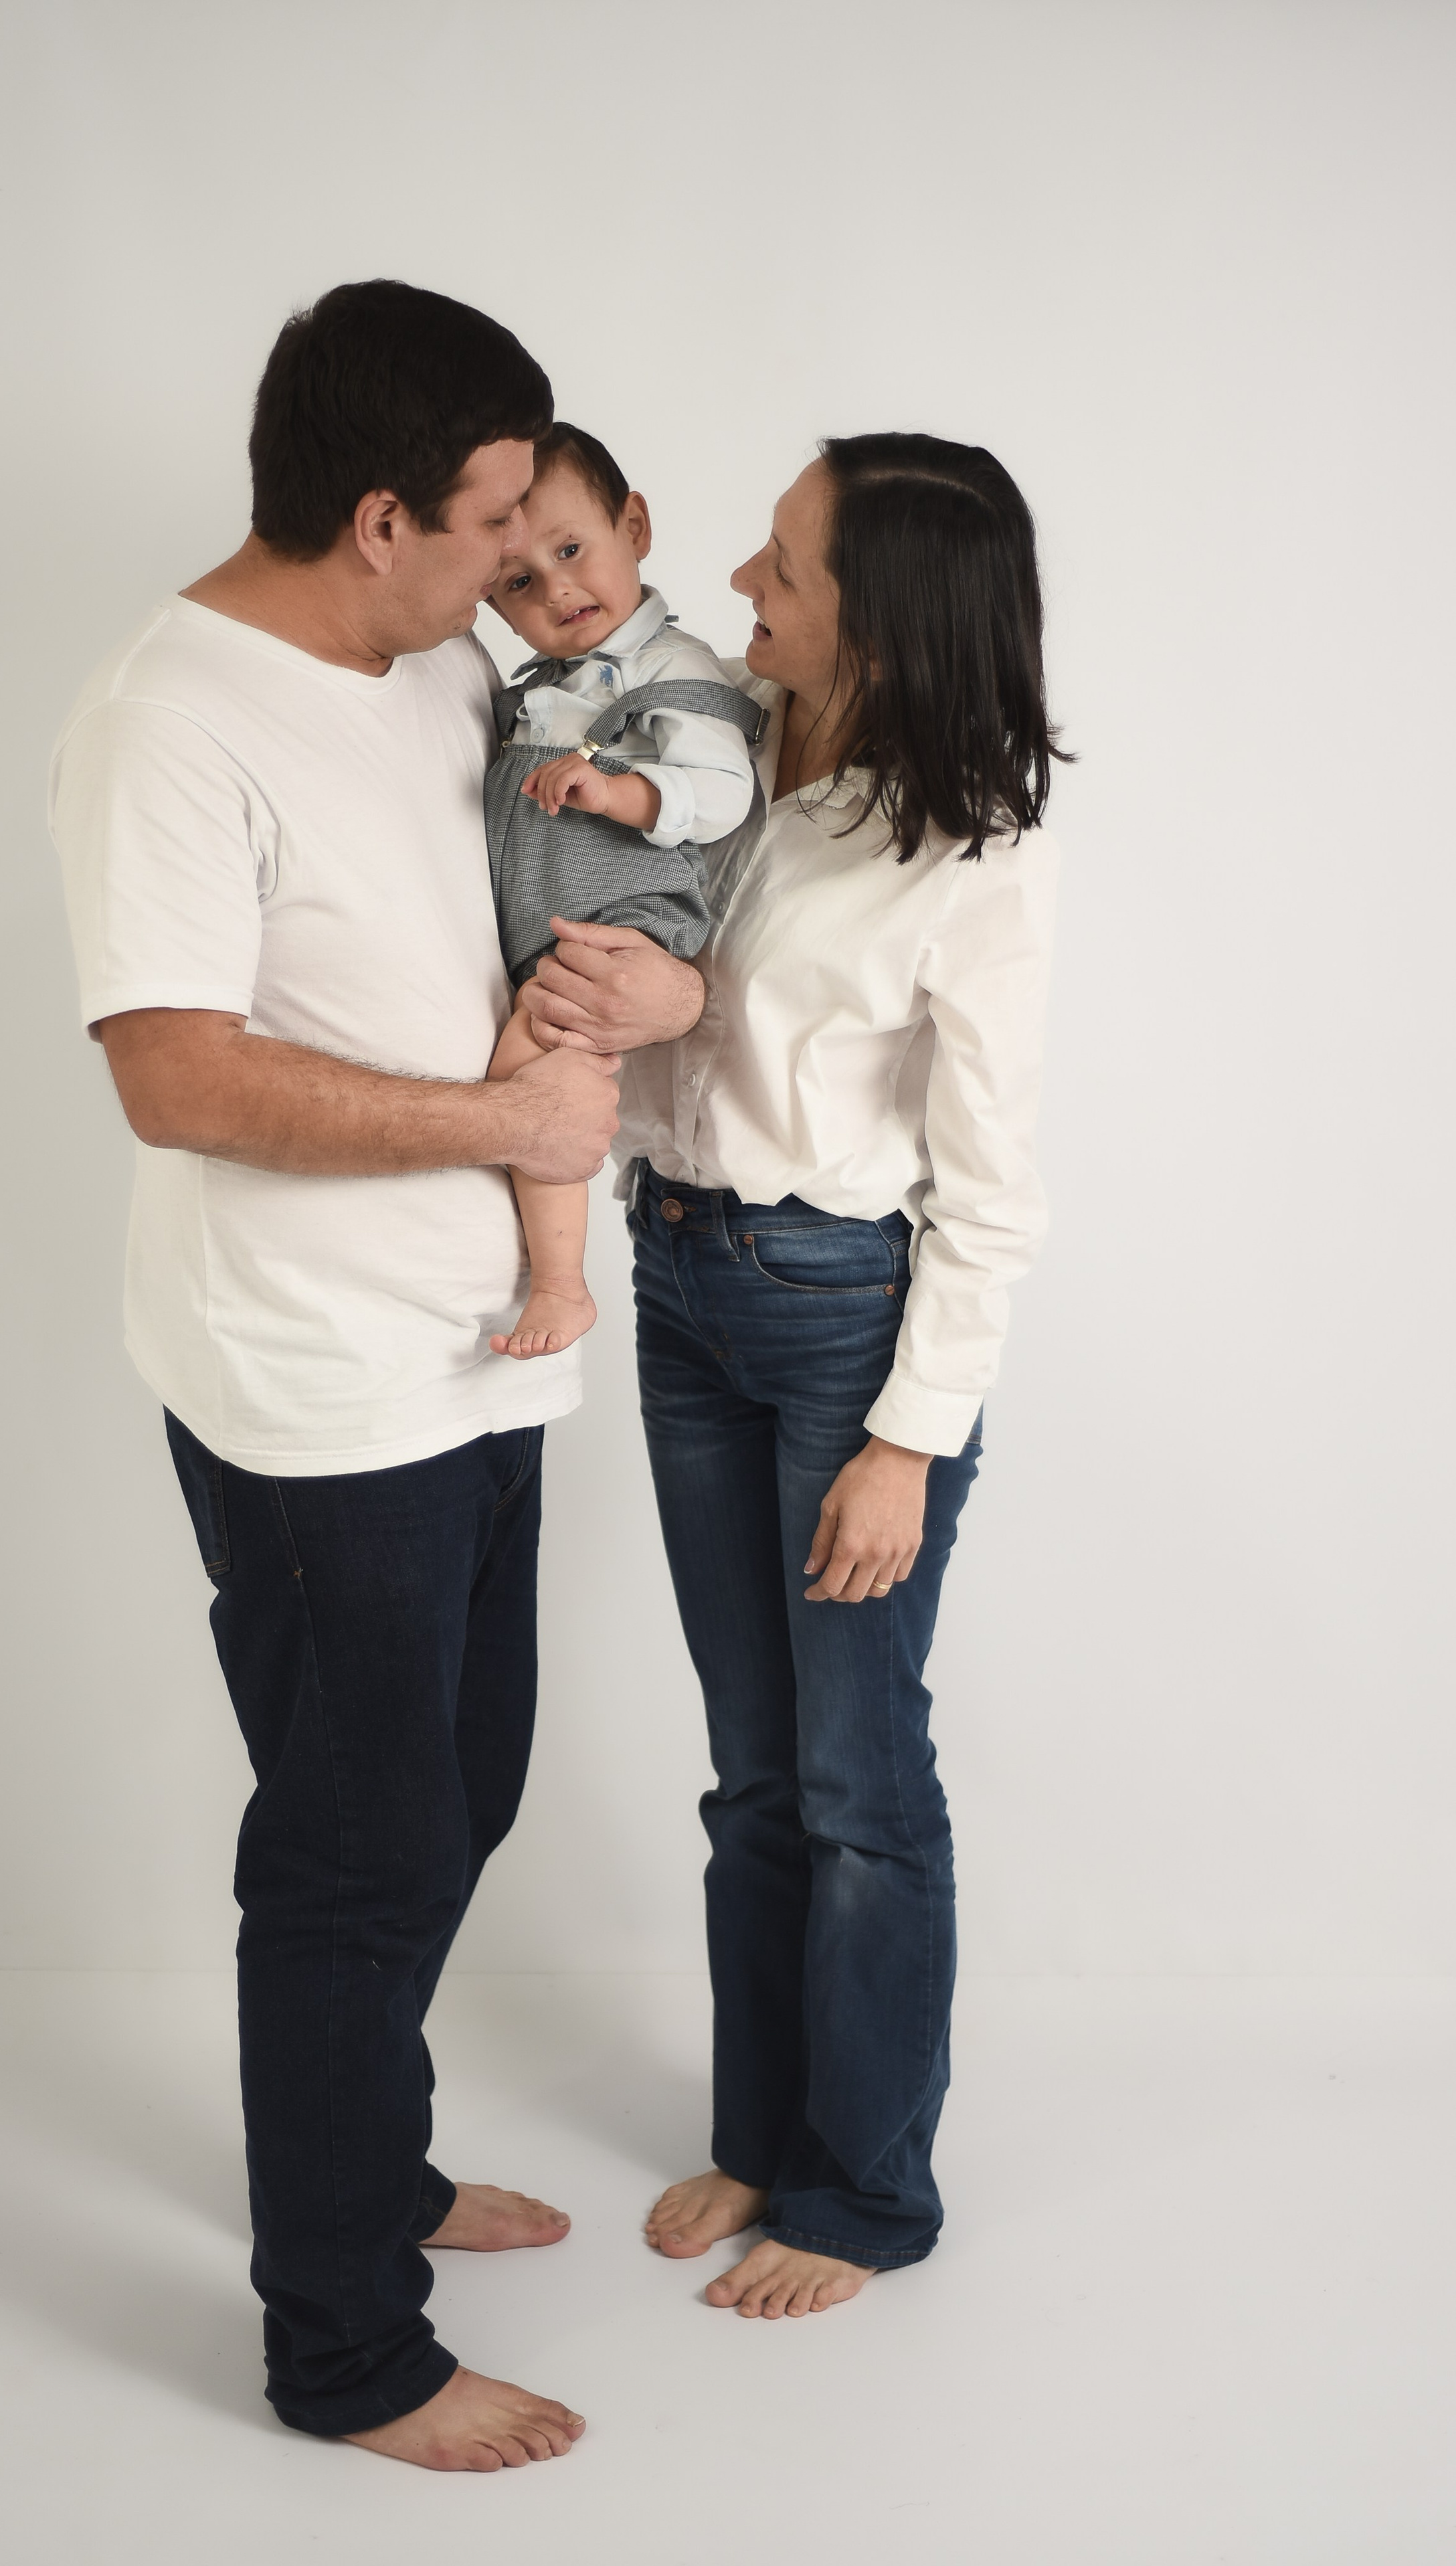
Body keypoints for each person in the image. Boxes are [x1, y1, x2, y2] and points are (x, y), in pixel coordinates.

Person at [48, 282, 695, 2470]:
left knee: (459, 1793)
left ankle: (368, 2156)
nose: (519, 562)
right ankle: (347, 2341)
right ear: (379, 513)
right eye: (493, 520)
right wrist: (501, 1133)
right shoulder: (173, 711)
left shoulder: (418, 672)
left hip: (473, 1359)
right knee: (356, 1855)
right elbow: (175, 1072)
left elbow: (539, 897)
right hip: (320, 1389)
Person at [515, 435, 1062, 2321]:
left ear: (888, 627)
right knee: (753, 1777)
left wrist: (908, 1442)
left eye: (790, 564)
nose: (745, 578)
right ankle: (765, 2131)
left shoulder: (971, 858)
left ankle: (864, 2191)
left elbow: (994, 1195)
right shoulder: (728, 737)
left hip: (845, 1324)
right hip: (684, 1287)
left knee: (858, 1781)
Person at [479, 422, 761, 1360]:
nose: (558, 589)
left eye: (571, 550)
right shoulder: (537, 685)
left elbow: (722, 796)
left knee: (541, 1063)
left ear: (633, 525)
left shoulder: (671, 666)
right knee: (527, 1060)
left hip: (628, 915)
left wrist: (621, 792)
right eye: (519, 581)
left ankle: (562, 1287)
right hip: (557, 915)